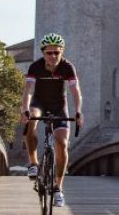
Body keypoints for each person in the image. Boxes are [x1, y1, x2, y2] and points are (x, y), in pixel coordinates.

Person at [20, 32, 84, 207]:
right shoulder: (35, 67)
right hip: (38, 103)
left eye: (57, 52)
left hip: (58, 106)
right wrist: (25, 108)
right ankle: (33, 162)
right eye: (49, 53)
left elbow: (75, 90)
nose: (53, 56)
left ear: (62, 52)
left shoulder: (67, 67)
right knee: (32, 120)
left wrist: (78, 111)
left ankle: (58, 188)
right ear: (43, 53)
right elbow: (29, 89)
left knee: (62, 143)